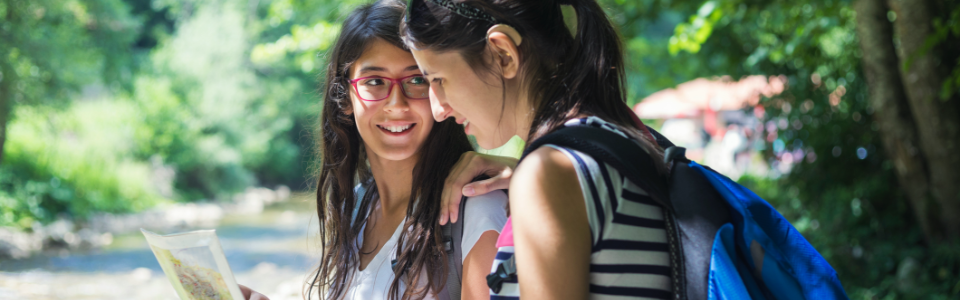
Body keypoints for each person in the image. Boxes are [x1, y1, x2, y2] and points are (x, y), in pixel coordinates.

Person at [402, 0, 673, 299]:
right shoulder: (614, 136)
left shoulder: (551, 172)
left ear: (503, 54)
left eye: (439, 79)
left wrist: (535, 180)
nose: (438, 109)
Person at [240, 1, 507, 299]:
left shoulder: (478, 206)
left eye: (417, 79)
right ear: (344, 97)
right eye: (375, 82)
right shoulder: (352, 207)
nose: (396, 104)